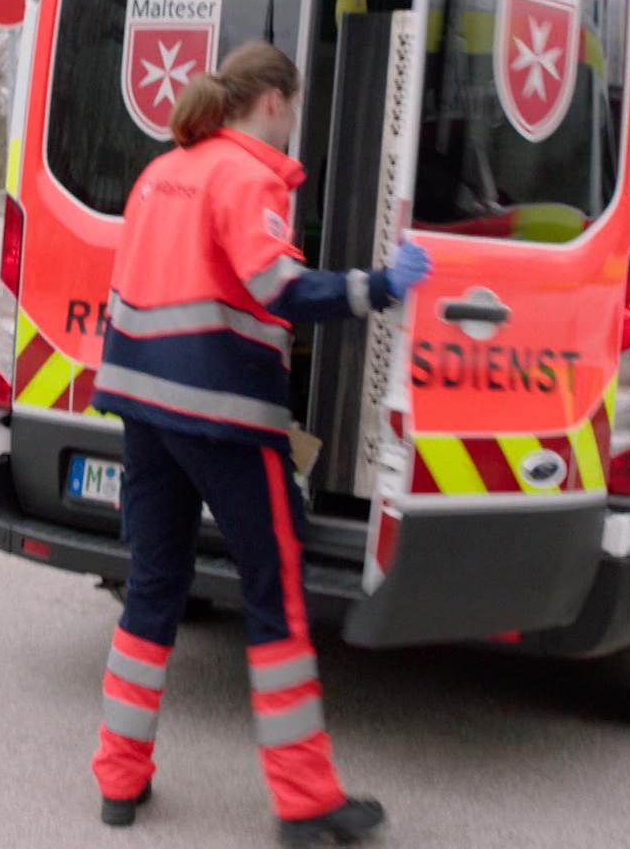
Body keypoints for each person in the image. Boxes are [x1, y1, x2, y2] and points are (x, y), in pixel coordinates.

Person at [87, 42, 431, 845]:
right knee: (275, 592)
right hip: (225, 417)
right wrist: (378, 287)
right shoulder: (247, 176)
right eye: (294, 109)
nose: (291, 124)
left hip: (144, 409)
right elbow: (278, 286)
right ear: (274, 100)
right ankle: (304, 801)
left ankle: (118, 778)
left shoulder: (161, 172)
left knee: (153, 586)